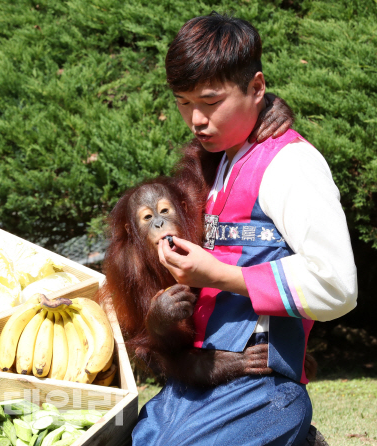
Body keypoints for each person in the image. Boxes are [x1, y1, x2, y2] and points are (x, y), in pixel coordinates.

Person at [132, 13, 357, 446]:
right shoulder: (220, 161)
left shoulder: (290, 164)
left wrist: (218, 276)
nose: (196, 119)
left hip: (261, 386)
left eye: (211, 101)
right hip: (199, 380)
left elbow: (338, 284)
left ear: (257, 87)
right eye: (183, 101)